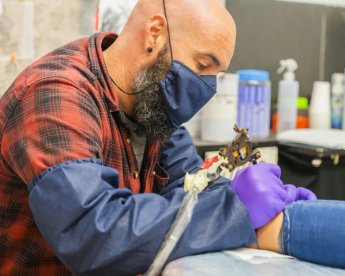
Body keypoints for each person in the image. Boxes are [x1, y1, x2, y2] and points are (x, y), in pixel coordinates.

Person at [0, 0, 314, 274]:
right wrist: (234, 212)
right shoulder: (55, 94)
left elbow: (192, 186)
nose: (206, 87)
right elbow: (93, 235)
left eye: (214, 74)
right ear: (155, 33)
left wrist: (255, 200)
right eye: (202, 65)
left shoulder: (152, 102)